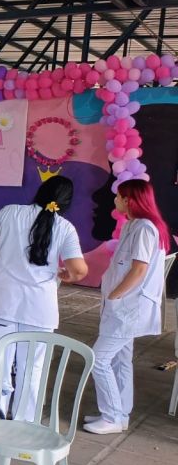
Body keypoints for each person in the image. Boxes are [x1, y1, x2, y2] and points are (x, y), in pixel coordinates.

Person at [0, 176, 88, 422]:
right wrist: (66, 275)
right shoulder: (65, 228)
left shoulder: (10, 212)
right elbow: (80, 270)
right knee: (33, 369)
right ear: (66, 203)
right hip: (39, 309)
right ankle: (23, 424)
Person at [86, 180, 169, 434]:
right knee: (121, 359)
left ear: (130, 200)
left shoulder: (144, 228)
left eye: (119, 197)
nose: (115, 201)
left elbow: (139, 268)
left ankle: (111, 416)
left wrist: (115, 295)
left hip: (128, 307)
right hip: (123, 306)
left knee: (99, 359)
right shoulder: (134, 225)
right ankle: (119, 413)